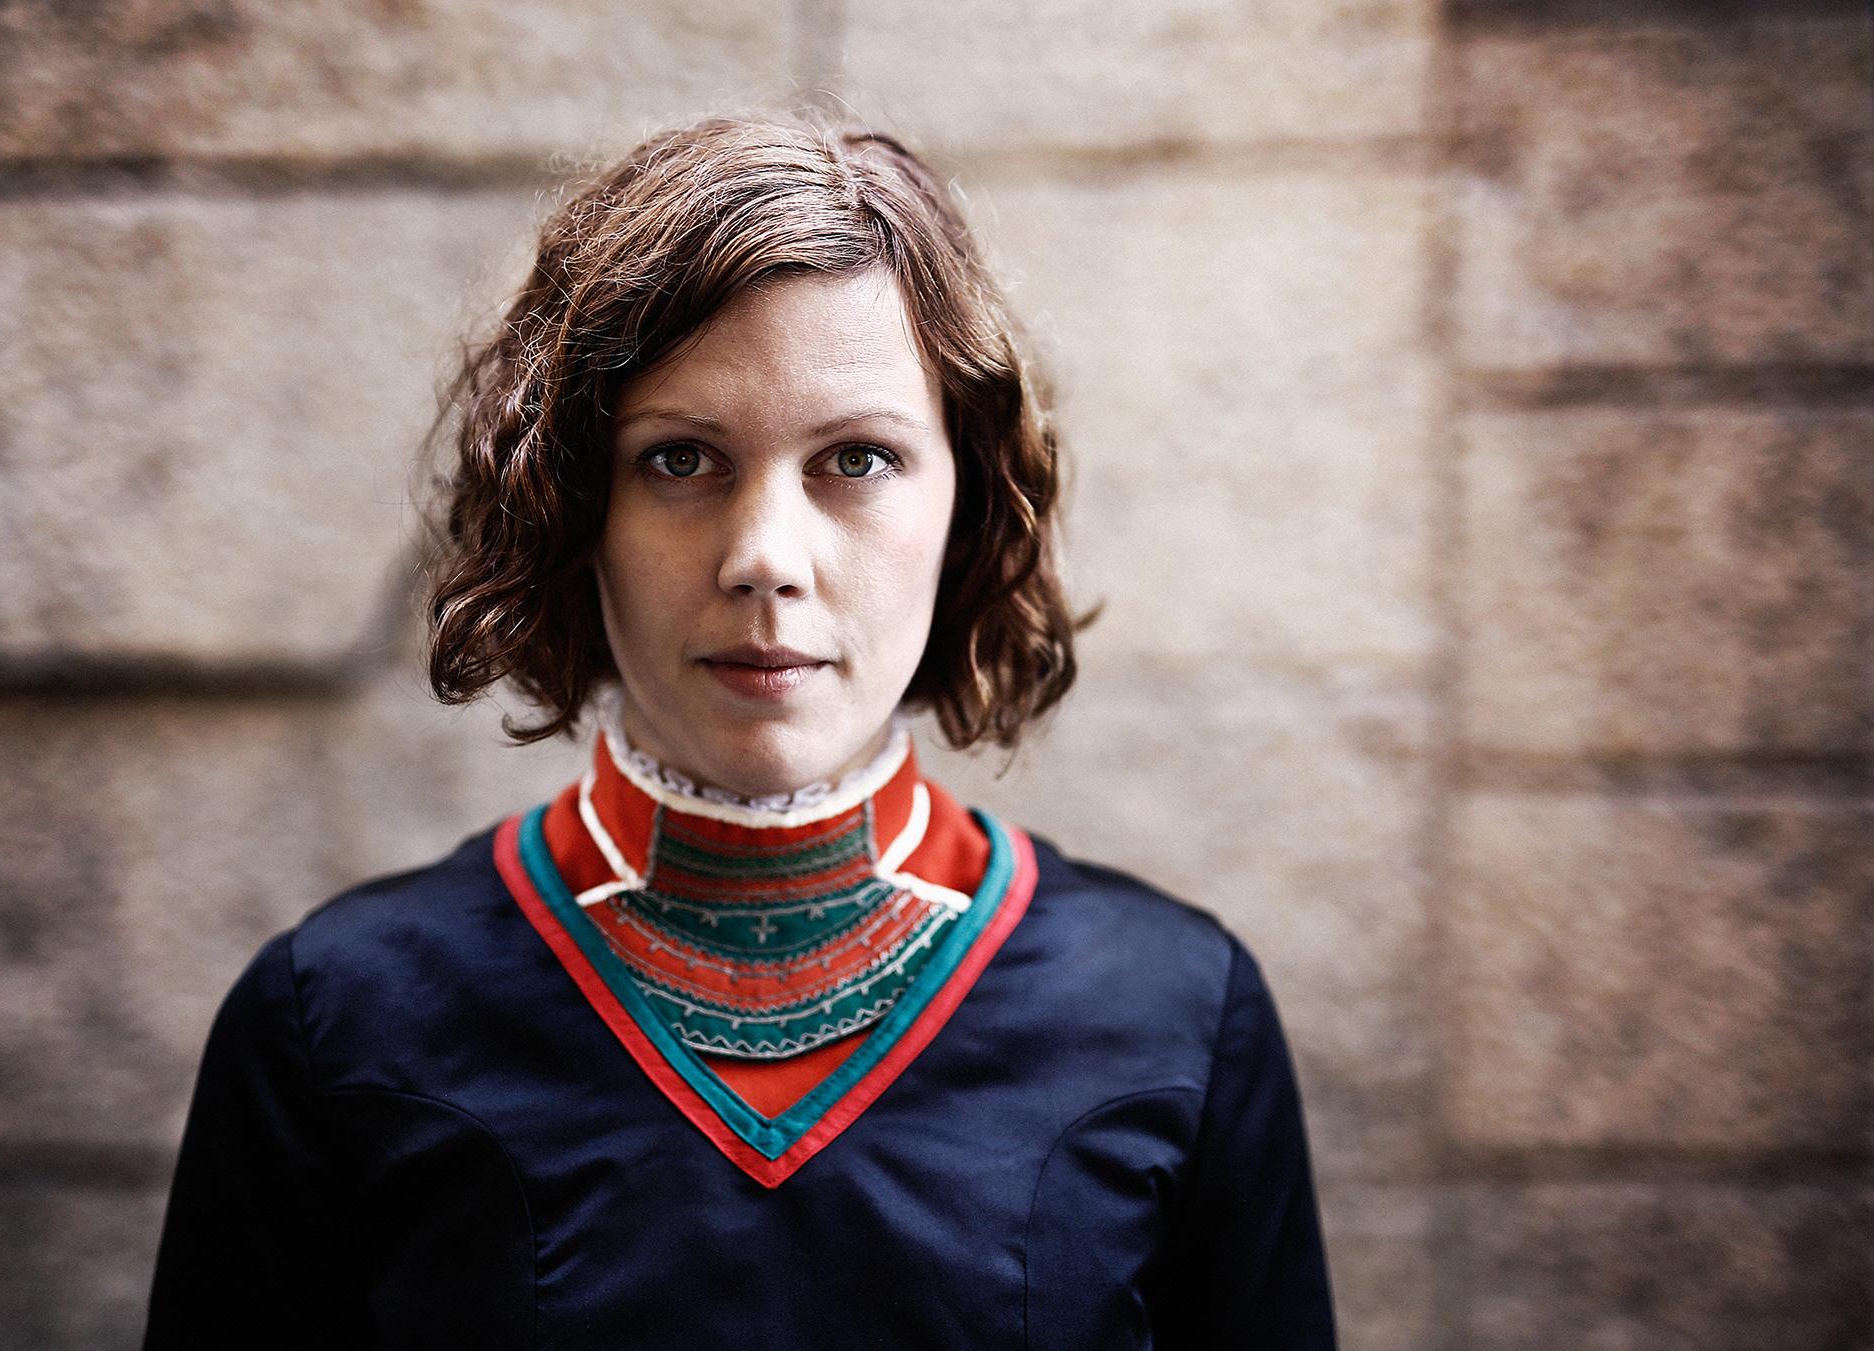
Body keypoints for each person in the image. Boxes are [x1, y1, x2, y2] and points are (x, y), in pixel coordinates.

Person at [144, 114, 1336, 1350]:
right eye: (678, 460)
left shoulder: (1177, 1016)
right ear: (571, 504)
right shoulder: (337, 1022)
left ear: (968, 503)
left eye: (857, 459)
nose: (765, 557)